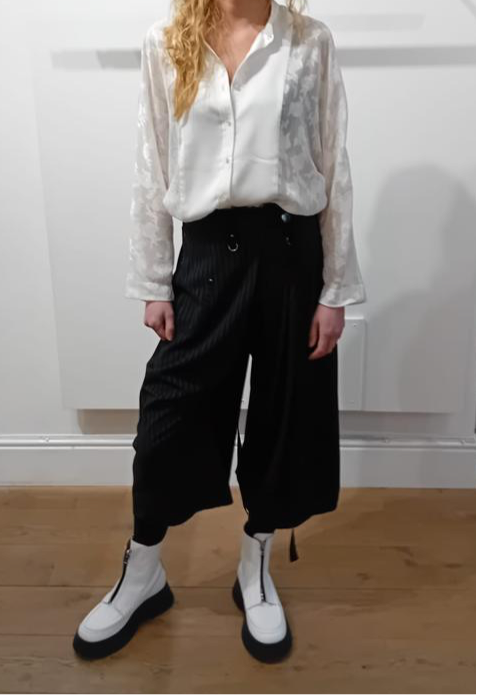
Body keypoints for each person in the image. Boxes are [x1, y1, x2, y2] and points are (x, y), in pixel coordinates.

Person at [72, 0, 367, 664]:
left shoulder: (308, 42)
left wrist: (335, 289)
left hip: (292, 254)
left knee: (284, 417)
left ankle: (255, 562)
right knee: (169, 415)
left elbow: (333, 163)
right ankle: (143, 569)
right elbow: (151, 162)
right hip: (207, 252)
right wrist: (153, 279)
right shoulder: (166, 42)